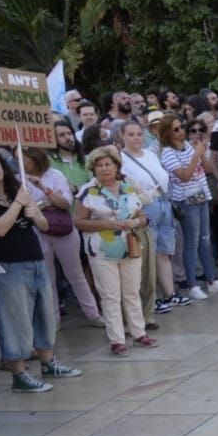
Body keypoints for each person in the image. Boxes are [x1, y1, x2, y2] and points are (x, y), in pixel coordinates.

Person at [0, 146, 80, 390]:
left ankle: (49, 362)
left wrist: (34, 211)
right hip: (4, 264)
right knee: (13, 320)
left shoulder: (15, 188)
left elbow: (44, 224)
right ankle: (19, 373)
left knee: (43, 315)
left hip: (33, 258)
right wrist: (19, 203)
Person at [75, 145, 155, 356]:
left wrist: (136, 221)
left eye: (108, 164)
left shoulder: (128, 186)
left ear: (116, 166)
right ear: (93, 169)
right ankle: (117, 340)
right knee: (110, 295)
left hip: (130, 246)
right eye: (99, 165)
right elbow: (79, 221)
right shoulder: (87, 191)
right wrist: (106, 225)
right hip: (102, 250)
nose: (104, 169)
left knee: (131, 291)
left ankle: (139, 333)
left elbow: (143, 215)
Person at [22, 147, 102, 328]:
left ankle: (93, 314)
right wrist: (46, 203)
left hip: (63, 230)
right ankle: (54, 320)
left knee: (76, 274)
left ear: (35, 158)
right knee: (47, 278)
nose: (23, 162)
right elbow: (23, 209)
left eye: (25, 159)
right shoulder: (19, 179)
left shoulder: (55, 174)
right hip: (38, 232)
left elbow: (65, 202)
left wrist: (43, 190)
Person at [158, 116, 218, 298]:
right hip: (185, 201)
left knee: (205, 238)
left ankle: (212, 280)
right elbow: (184, 176)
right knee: (191, 242)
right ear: (167, 133)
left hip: (201, 195)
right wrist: (196, 154)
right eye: (176, 129)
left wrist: (202, 152)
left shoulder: (188, 146)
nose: (181, 131)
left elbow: (207, 169)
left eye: (181, 127)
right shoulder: (167, 152)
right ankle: (192, 285)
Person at [118, 121, 180, 314]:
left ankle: (170, 294)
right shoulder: (119, 158)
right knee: (148, 253)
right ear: (122, 136)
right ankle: (150, 299)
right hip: (143, 205)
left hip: (163, 201)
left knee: (164, 250)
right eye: (131, 134)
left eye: (139, 134)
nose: (136, 138)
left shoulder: (151, 154)